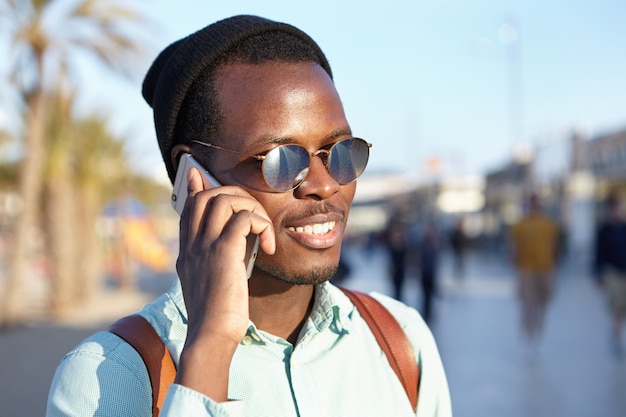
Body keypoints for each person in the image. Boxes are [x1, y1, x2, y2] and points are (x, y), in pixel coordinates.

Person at [46, 15, 451, 417]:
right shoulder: (111, 377)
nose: (325, 185)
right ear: (194, 178)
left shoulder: (400, 339)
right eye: (280, 160)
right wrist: (208, 349)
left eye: (341, 151)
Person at [510, 194, 559, 349]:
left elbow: (555, 246)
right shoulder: (521, 225)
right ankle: (528, 336)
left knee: (543, 303)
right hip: (527, 270)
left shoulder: (548, 225)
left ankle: (538, 333)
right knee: (528, 304)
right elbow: (513, 247)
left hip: (545, 269)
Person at [593, 194, 626, 355]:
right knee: (616, 308)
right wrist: (599, 275)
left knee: (622, 309)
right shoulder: (604, 230)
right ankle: (616, 336)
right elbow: (598, 254)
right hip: (613, 273)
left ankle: (617, 334)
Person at [418, 224, 440, 323]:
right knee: (425, 293)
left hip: (431, 273)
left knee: (429, 294)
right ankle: (426, 311)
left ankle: (429, 311)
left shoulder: (433, 245)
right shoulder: (423, 245)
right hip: (424, 273)